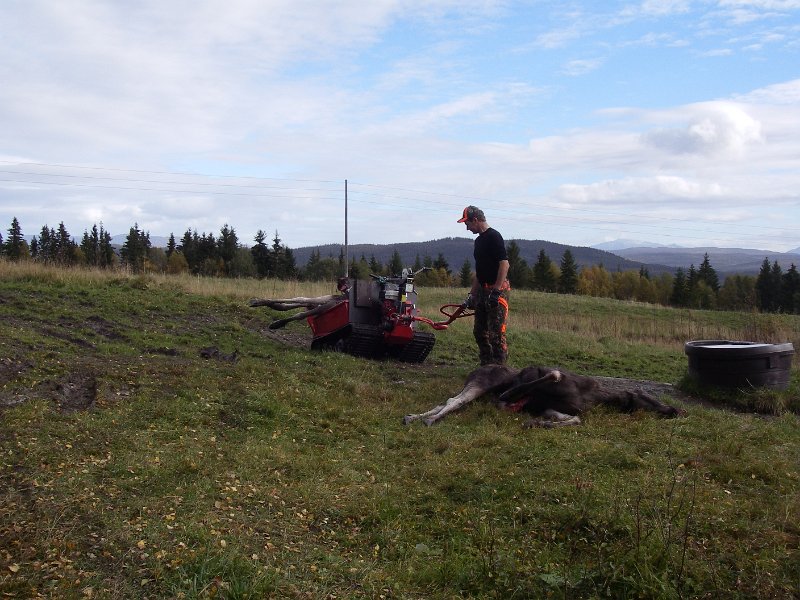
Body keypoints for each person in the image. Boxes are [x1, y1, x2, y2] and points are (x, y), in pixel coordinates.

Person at [457, 205, 510, 365]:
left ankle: (500, 370)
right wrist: (472, 295)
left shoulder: (494, 236)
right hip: (482, 290)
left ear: (475, 220)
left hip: (497, 290)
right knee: (480, 332)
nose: (467, 228)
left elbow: (504, 264)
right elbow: (479, 271)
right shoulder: (479, 241)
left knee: (496, 334)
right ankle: (486, 366)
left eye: (467, 224)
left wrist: (496, 290)